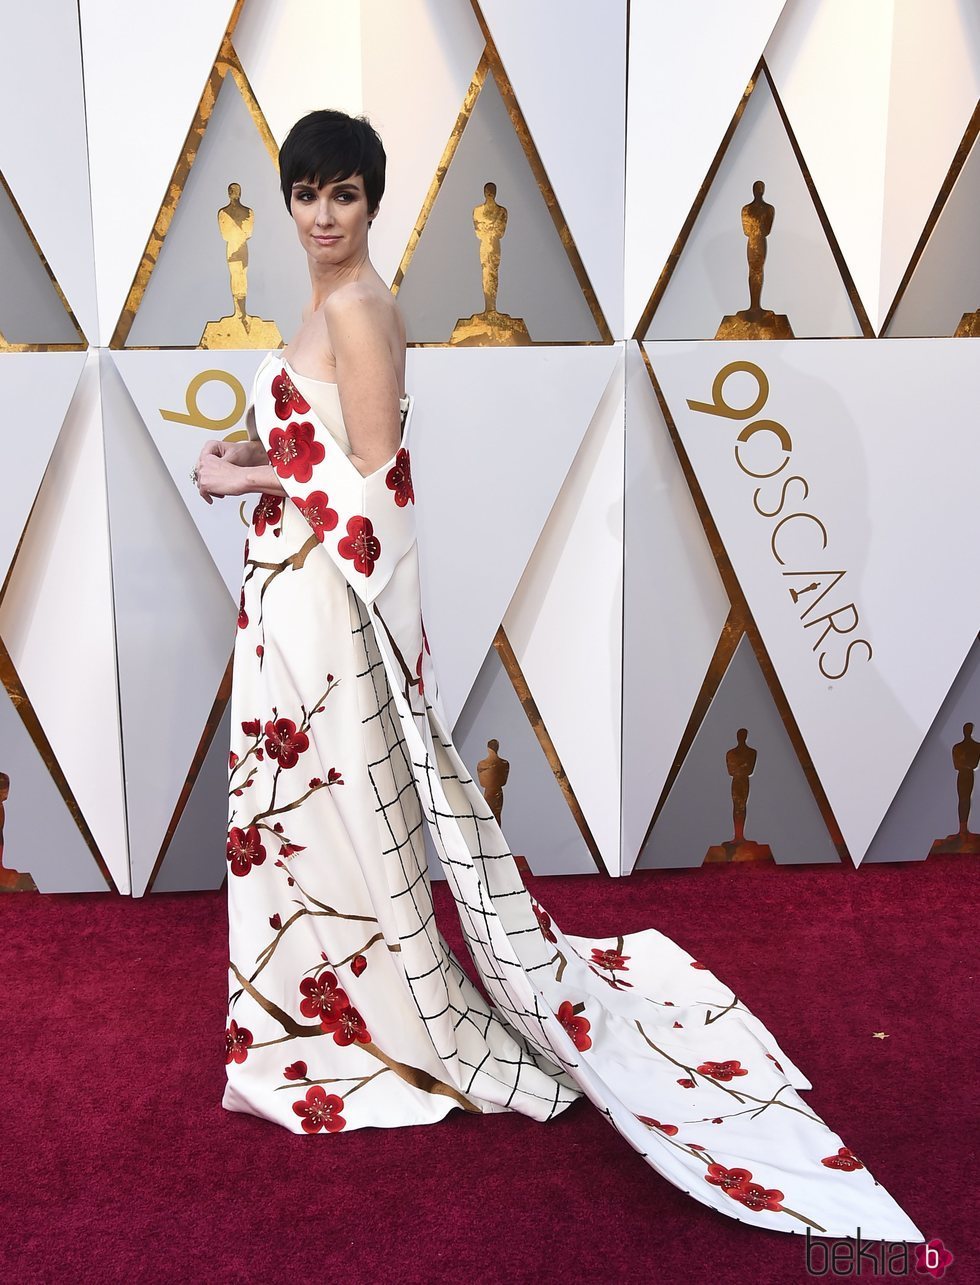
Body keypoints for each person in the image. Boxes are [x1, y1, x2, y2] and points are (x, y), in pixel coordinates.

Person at [192, 109, 922, 1243]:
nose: (322, 216)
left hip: (329, 608)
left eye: (342, 194)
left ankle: (375, 1026)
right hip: (287, 600)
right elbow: (320, 441)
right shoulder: (318, 303)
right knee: (296, 821)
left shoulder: (363, 307)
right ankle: (315, 1016)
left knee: (331, 818)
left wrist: (244, 482)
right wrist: (249, 458)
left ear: (374, 203)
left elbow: (380, 481)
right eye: (305, 194)